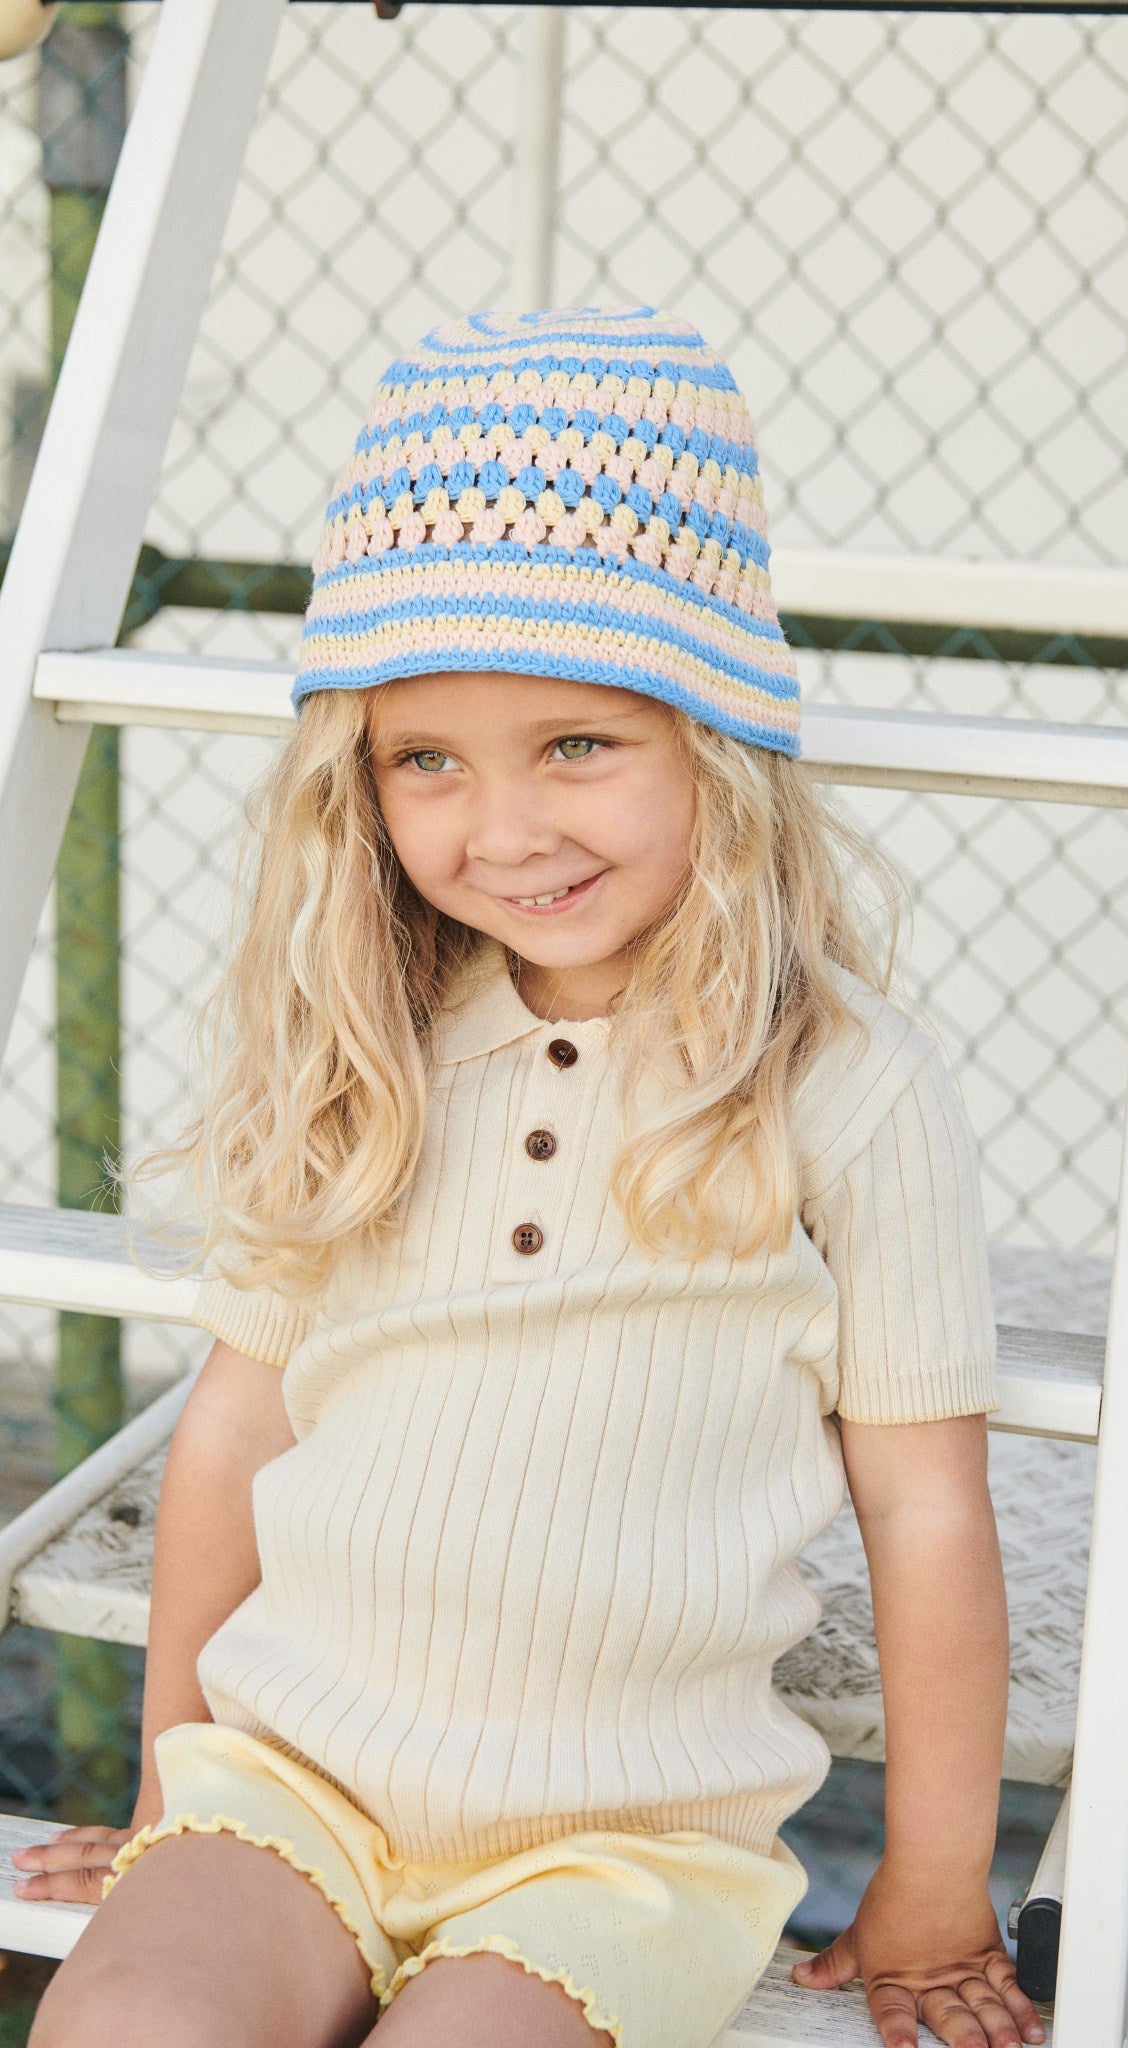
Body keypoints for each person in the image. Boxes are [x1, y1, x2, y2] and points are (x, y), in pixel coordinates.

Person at [16, 306, 1045, 2048]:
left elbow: (927, 1509)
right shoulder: (363, 1038)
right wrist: (177, 1782)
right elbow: (237, 1427)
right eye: (429, 760)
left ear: (709, 741)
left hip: (619, 1844)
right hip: (290, 1782)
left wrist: (938, 1881)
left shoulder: (838, 1083)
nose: (503, 830)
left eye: (576, 744)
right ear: (364, 779)